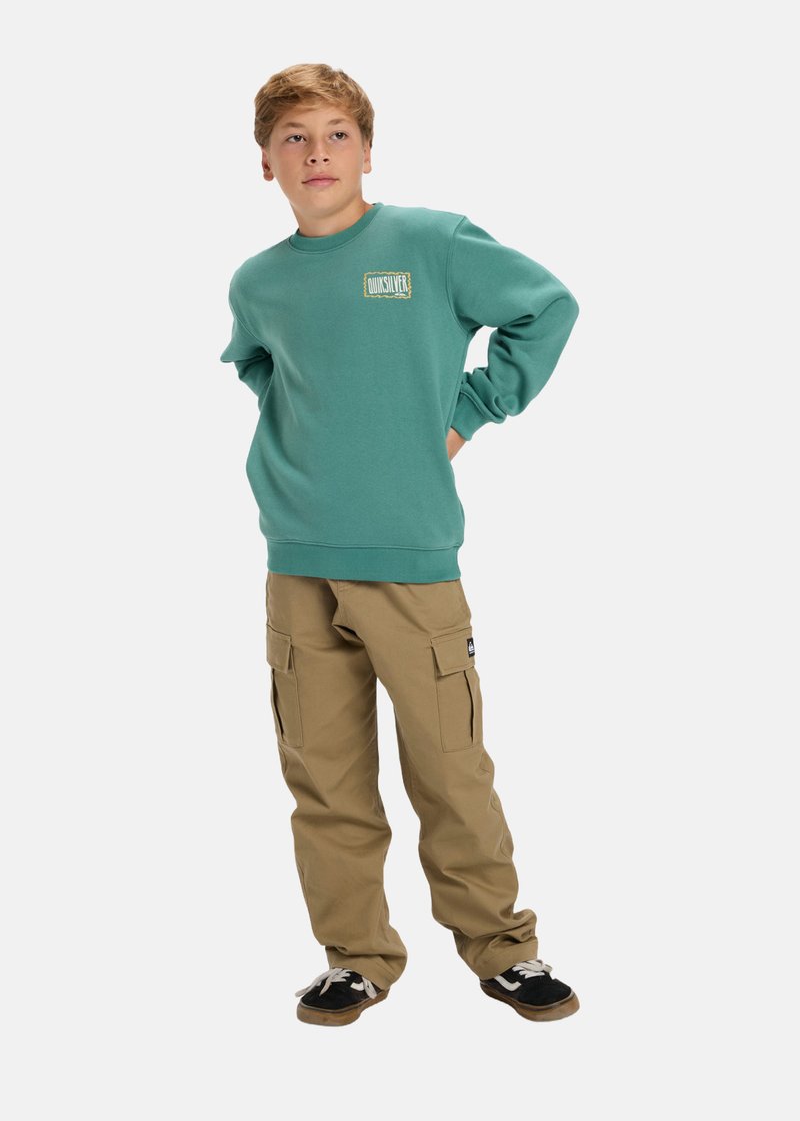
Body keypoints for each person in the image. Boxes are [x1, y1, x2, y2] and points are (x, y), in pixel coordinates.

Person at [220, 63, 581, 1027]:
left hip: (411, 561)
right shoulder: (258, 281)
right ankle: (357, 958)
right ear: (265, 162)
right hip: (297, 563)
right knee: (324, 778)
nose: (317, 153)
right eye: (294, 138)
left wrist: (466, 412)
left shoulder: (430, 243)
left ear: (368, 151)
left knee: (450, 768)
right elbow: (259, 367)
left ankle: (503, 949)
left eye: (336, 134)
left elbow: (547, 307)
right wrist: (307, 452)